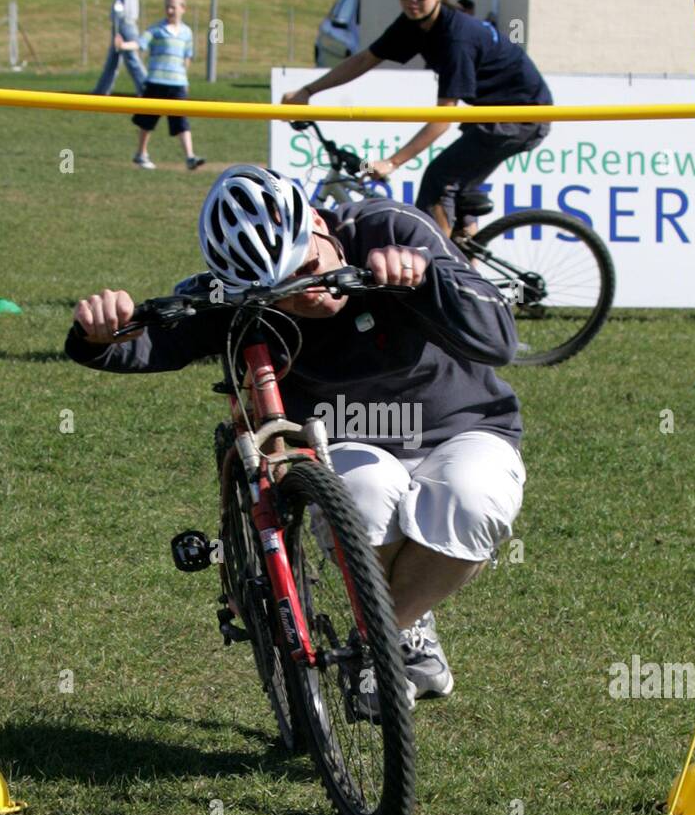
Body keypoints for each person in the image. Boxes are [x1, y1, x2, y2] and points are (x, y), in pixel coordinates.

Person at [65, 166, 527, 712]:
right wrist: (101, 333)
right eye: (284, 292)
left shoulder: (389, 227)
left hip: (464, 423)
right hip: (346, 438)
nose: (308, 294)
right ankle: (397, 638)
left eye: (308, 268)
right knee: (363, 499)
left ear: (316, 221)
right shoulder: (241, 291)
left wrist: (428, 281)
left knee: (470, 501)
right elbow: (154, 344)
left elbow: (498, 341)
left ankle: (380, 639)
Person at [282, 0, 552, 240]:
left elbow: (443, 118)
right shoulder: (415, 24)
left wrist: (392, 162)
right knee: (457, 195)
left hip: (524, 115)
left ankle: (443, 271)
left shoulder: (457, 39)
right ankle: (469, 270)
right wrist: (308, 91)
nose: (412, 1)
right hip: (494, 109)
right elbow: (364, 60)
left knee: (438, 182)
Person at [117, 0, 205, 172]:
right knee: (147, 121)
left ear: (183, 9)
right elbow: (140, 43)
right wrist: (123, 45)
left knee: (181, 121)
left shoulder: (187, 33)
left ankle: (190, 157)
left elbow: (187, 57)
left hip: (177, 84)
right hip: (156, 82)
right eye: (167, 7)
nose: (170, 11)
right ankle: (141, 153)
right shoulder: (156, 29)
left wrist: (184, 80)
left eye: (174, 7)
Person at [92, 0, 147, 97]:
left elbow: (127, 8)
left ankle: (146, 89)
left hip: (125, 26)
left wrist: (120, 25)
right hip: (121, 25)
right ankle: (102, 90)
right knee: (113, 61)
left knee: (131, 59)